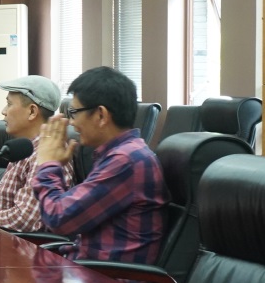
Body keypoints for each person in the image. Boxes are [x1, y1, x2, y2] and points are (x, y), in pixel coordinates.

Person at [32, 66, 168, 263]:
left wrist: (48, 164)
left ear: (101, 115)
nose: (71, 122)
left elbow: (58, 218)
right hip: (86, 272)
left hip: (106, 280)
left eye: (74, 112)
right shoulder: (118, 155)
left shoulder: (126, 160)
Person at [0, 75, 72, 232]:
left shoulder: (47, 154)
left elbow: (26, 218)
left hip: (25, 245)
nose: (3, 111)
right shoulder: (24, 149)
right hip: (1, 237)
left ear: (32, 111)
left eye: (9, 104)